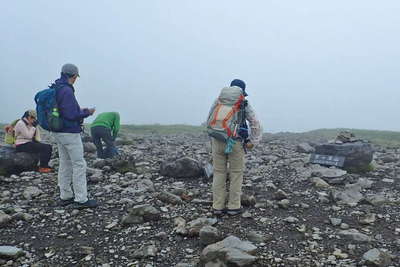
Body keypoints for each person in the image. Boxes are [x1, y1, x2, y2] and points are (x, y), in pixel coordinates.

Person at [206, 79, 262, 216]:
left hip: (217, 139)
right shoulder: (243, 103)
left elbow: (209, 119)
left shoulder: (219, 100)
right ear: (242, 91)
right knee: (236, 174)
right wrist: (253, 142)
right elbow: (255, 123)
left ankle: (217, 206)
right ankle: (233, 206)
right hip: (235, 141)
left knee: (219, 172)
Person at [50, 63, 97, 209]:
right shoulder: (67, 91)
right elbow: (71, 114)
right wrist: (87, 112)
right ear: (73, 76)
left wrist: (79, 110)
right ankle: (81, 199)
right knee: (78, 164)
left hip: (58, 132)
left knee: (65, 163)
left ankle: (65, 195)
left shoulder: (56, 88)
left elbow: (65, 111)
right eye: (76, 76)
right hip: (70, 132)